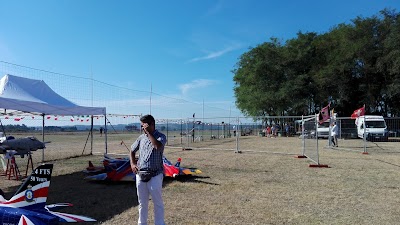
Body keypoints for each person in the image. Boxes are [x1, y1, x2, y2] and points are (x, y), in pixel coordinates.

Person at [130, 114, 166, 225]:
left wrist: (149, 132)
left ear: (151, 124)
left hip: (155, 175)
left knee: (157, 203)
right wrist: (132, 164)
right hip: (140, 175)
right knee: (142, 203)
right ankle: (142, 223)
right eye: (142, 126)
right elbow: (132, 150)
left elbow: (157, 146)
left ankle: (159, 223)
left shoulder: (161, 136)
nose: (142, 129)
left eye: (144, 126)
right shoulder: (141, 138)